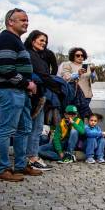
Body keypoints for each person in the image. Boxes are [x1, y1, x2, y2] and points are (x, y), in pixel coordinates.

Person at [0, 9, 41, 181]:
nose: (26, 23)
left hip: (20, 92)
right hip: (9, 91)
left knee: (24, 129)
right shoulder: (6, 39)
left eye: (27, 20)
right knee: (6, 130)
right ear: (10, 21)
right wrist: (27, 83)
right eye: (22, 20)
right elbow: (6, 69)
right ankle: (2, 169)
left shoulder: (15, 40)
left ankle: (20, 165)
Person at [24, 30, 60, 171]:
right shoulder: (30, 54)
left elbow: (47, 74)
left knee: (37, 127)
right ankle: (31, 158)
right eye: (41, 40)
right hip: (32, 96)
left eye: (45, 41)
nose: (43, 43)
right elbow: (42, 76)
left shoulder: (40, 56)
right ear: (33, 41)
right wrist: (57, 86)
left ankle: (32, 156)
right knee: (31, 128)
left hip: (40, 95)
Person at [58, 47, 96, 117]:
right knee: (72, 115)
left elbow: (93, 81)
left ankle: (80, 128)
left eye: (82, 55)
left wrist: (93, 72)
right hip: (73, 95)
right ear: (73, 56)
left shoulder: (88, 66)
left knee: (81, 116)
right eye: (78, 55)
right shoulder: (67, 65)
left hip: (86, 95)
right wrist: (78, 74)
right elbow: (66, 78)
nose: (80, 57)